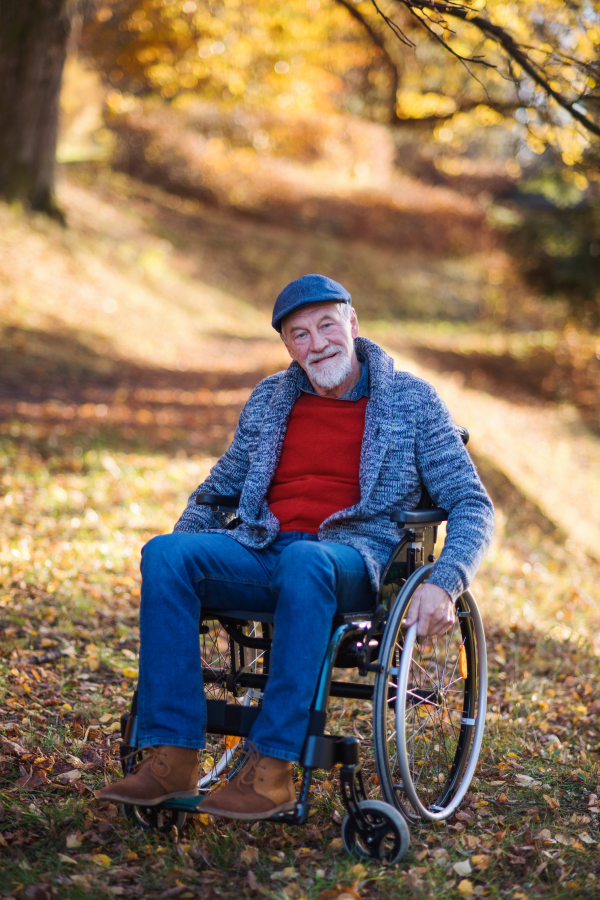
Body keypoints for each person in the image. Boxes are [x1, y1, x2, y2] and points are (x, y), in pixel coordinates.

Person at [97, 274, 494, 820]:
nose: (317, 344)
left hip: (353, 558)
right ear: (288, 346)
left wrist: (445, 581)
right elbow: (216, 492)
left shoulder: (412, 401)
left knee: (307, 562)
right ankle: (172, 757)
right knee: (166, 554)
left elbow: (473, 504)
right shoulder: (270, 399)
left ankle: (274, 768)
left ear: (352, 323)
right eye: (299, 335)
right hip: (263, 547)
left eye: (327, 325)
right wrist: (183, 570)